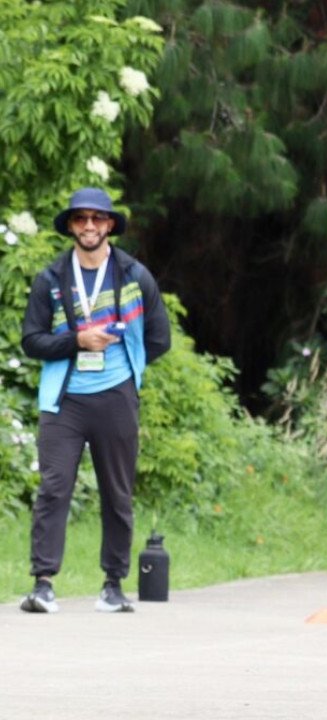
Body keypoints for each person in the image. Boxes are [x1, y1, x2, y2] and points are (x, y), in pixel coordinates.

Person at [19, 187, 172, 614]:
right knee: (53, 489)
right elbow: (32, 341)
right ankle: (43, 584)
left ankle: (112, 585)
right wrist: (77, 342)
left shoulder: (135, 276)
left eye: (97, 219)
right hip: (64, 401)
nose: (89, 226)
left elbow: (160, 338)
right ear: (71, 226)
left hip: (116, 396)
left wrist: (126, 367)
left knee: (117, 493)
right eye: (80, 219)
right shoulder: (50, 280)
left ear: (109, 225)